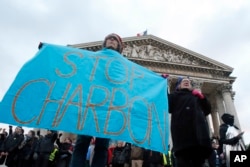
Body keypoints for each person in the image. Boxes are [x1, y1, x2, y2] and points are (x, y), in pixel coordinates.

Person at [69, 33, 124, 167]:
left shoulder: (124, 64)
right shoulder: (94, 57)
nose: (111, 40)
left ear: (119, 46)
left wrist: (159, 80)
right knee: (82, 142)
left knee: (102, 145)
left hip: (108, 108)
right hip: (90, 103)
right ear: (104, 43)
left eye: (114, 39)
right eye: (109, 38)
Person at [167, 76, 213, 167]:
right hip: (182, 140)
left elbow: (207, 110)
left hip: (198, 140)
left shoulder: (196, 97)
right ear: (178, 86)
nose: (186, 81)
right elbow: (165, 104)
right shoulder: (174, 96)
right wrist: (164, 85)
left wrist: (202, 98)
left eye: (188, 81)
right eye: (183, 81)